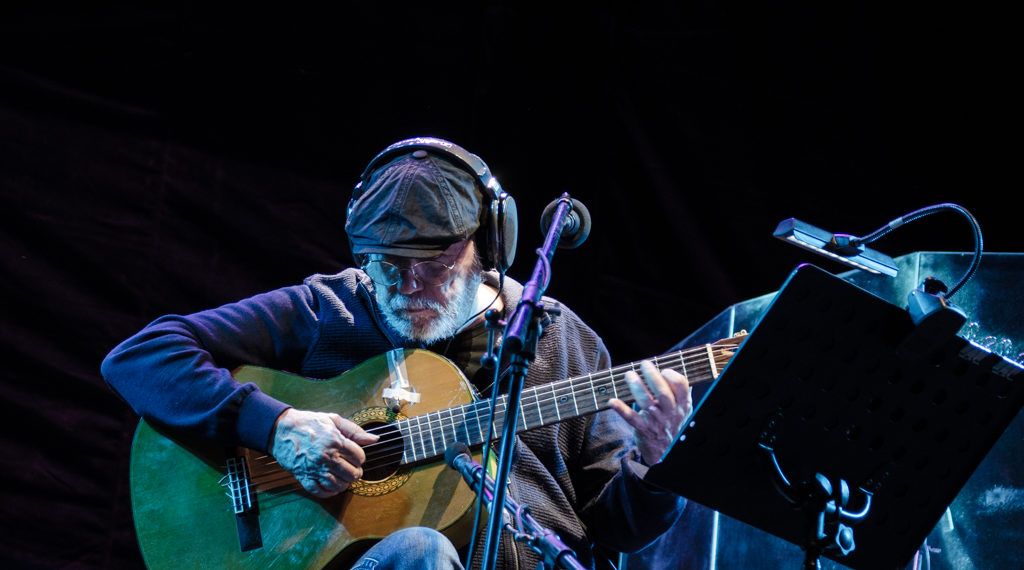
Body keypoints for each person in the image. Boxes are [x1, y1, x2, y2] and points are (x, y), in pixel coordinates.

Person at [101, 137, 691, 569]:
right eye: (387, 264)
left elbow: (618, 529)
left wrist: (658, 466)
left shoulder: (562, 340)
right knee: (419, 551)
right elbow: (143, 355)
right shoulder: (331, 309)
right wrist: (274, 425)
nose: (408, 287)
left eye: (433, 266)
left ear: (487, 247)